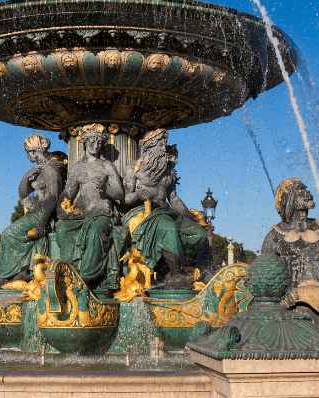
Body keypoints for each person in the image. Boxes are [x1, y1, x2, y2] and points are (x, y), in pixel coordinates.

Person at [123, 129, 207, 288]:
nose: (163, 148)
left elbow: (173, 198)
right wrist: (139, 194)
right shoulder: (133, 169)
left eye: (164, 144)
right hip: (144, 212)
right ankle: (176, 277)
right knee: (169, 229)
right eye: (160, 144)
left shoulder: (169, 170)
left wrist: (191, 216)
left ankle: (167, 266)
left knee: (199, 234)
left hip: (166, 211)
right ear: (150, 147)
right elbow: (126, 199)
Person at [0, 134, 66, 289]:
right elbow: (23, 193)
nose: (27, 155)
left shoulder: (51, 169)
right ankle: (19, 271)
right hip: (37, 211)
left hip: (46, 212)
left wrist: (43, 220)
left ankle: (6, 275)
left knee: (9, 234)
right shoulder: (38, 170)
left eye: (28, 152)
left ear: (35, 150)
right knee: (12, 234)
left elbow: (54, 197)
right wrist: (27, 176)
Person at [56, 124, 124, 291]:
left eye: (99, 143)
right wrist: (60, 207)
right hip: (81, 214)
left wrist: (106, 189)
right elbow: (69, 193)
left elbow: (120, 193)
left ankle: (87, 275)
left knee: (95, 232)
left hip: (102, 215)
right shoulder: (78, 167)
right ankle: (72, 269)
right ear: (85, 142)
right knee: (62, 229)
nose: (95, 146)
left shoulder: (107, 166)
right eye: (92, 142)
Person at [261, 178, 319, 291]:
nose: (307, 192)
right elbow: (264, 277)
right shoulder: (274, 236)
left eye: (305, 189)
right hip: (291, 303)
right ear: (288, 198)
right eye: (300, 189)